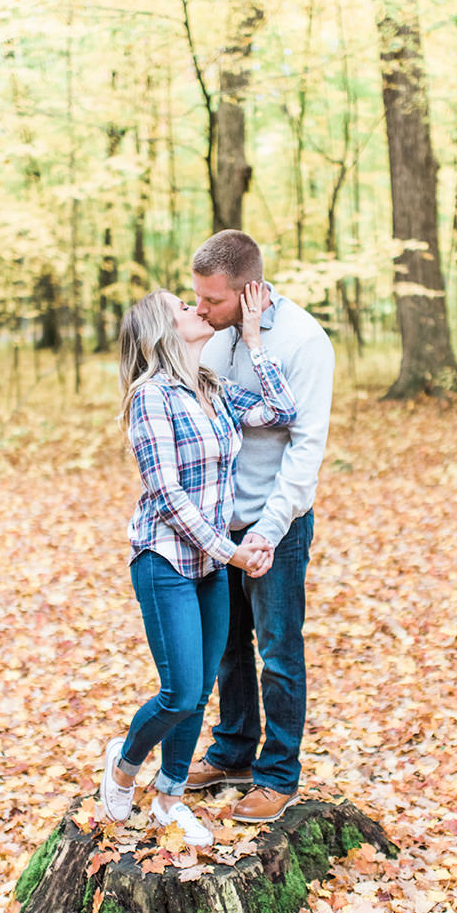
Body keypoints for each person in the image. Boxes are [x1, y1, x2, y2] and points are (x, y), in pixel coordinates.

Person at [100, 285, 296, 847]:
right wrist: (230, 550)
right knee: (181, 693)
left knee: (203, 686)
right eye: (182, 308)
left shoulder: (212, 387)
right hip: (165, 558)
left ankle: (168, 800)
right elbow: (166, 495)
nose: (195, 308)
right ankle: (124, 760)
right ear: (163, 331)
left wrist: (255, 339)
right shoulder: (149, 398)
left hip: (209, 565)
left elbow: (281, 412)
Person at [186, 230, 334, 823]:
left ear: (249, 291)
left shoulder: (304, 341)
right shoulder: (214, 342)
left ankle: (278, 775)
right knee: (227, 647)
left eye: (210, 300)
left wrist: (267, 532)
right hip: (223, 525)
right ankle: (234, 750)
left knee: (278, 651)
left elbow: (305, 450)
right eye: (196, 298)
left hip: (278, 525)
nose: (199, 309)